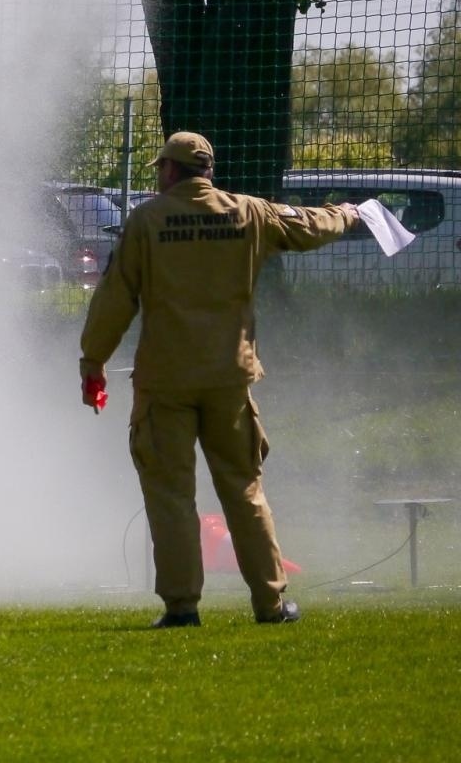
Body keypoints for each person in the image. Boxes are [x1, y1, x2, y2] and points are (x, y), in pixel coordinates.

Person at [79, 132, 359, 628]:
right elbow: (310, 225)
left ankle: (182, 607)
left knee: (171, 496)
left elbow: (115, 296)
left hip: (165, 380)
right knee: (244, 489)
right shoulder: (250, 212)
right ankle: (271, 604)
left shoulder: (147, 220)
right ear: (207, 170)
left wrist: (93, 360)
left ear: (170, 170)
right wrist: (352, 214)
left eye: (160, 168)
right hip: (229, 378)